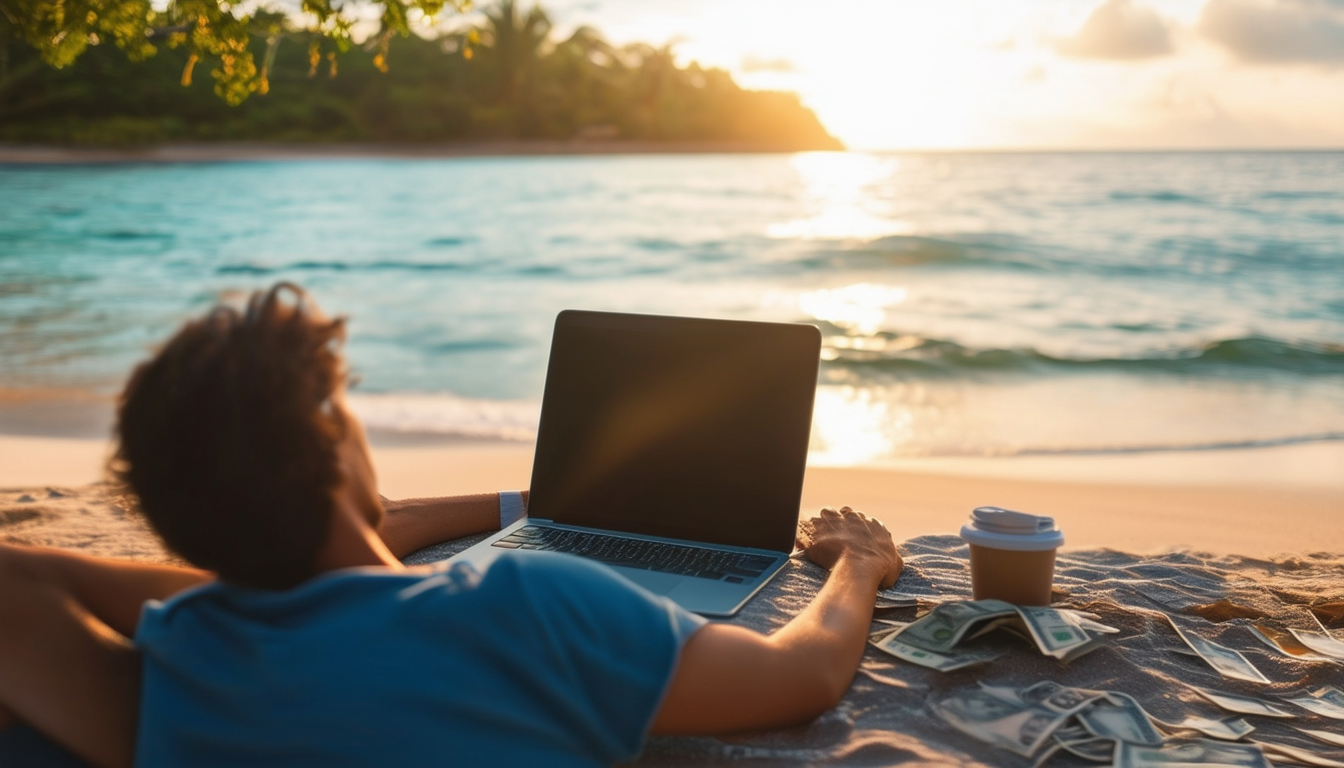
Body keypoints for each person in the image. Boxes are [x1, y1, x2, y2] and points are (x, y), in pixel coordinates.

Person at [0, 284, 903, 768]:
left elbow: (20, 575)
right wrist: (855, 564)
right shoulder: (529, 610)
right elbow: (803, 674)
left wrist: (526, 507)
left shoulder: (180, 667)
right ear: (334, 444)